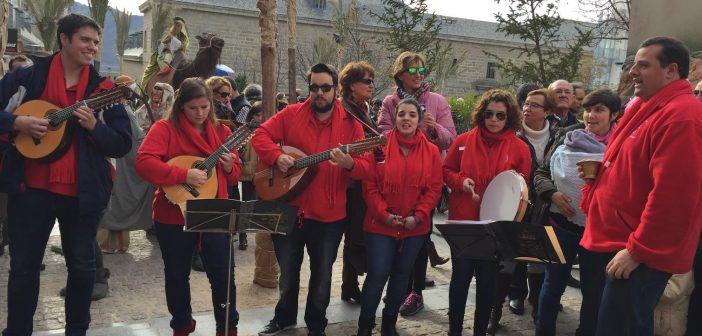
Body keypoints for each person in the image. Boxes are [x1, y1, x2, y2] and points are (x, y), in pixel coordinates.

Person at [0, 13, 132, 335]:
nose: (92, 47)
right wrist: (17, 123)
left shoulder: (105, 90)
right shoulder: (27, 79)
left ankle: (77, 331)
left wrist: (94, 127)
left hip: (82, 194)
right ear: (64, 40)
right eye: (85, 40)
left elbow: (122, 144)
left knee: (84, 269)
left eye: (96, 42)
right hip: (29, 190)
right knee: (23, 269)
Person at [579, 36, 702, 336]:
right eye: (635, 63)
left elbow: (674, 196)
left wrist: (638, 251)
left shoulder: (681, 115)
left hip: (637, 250)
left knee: (620, 328)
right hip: (615, 241)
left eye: (643, 65)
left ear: (671, 70)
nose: (633, 71)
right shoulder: (647, 107)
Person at [251, 63, 369, 336]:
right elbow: (260, 135)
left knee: (322, 276)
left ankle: (316, 325)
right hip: (289, 208)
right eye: (314, 87)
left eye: (325, 88)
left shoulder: (352, 123)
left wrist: (350, 163)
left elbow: (366, 167)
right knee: (288, 273)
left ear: (336, 89)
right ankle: (284, 319)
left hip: (329, 215)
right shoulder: (291, 114)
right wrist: (276, 157)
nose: (319, 93)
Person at [135, 77, 241, 336]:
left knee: (223, 274)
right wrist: (183, 175)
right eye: (193, 108)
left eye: (205, 107)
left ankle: (227, 326)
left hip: (214, 212)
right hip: (173, 214)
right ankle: (182, 325)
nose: (200, 113)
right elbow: (144, 162)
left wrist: (228, 166)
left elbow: (235, 174)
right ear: (181, 105)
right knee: (176, 274)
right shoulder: (164, 129)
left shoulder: (223, 133)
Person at [443, 89, 531, 336]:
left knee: (487, 284)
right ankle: (454, 330)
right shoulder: (462, 141)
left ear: (509, 117)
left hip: (496, 226)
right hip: (464, 222)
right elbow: (446, 170)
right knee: (459, 280)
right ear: (481, 114)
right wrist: (461, 181)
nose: (494, 119)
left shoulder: (520, 148)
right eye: (489, 114)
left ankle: (481, 331)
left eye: (500, 115)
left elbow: (522, 187)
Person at [534, 89, 620, 336]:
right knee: (552, 285)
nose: (591, 116)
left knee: (593, 290)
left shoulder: (621, 145)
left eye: (599, 110)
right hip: (561, 224)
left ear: (613, 114)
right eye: (588, 109)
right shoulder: (568, 135)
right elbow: (541, 173)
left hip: (599, 230)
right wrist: (552, 193)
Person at [378, 51, 455, 316]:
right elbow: (382, 134)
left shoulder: (437, 101)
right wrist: (405, 127)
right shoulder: (390, 102)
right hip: (394, 179)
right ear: (400, 73)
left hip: (426, 180)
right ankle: (397, 285)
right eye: (412, 71)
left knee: (420, 236)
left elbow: (450, 140)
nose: (418, 75)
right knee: (394, 233)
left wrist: (432, 128)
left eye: (422, 70)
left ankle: (415, 292)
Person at [356, 98, 442, 336]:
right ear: (394, 118)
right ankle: (365, 325)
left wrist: (419, 216)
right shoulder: (379, 146)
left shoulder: (432, 151)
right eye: (402, 114)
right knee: (377, 275)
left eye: (412, 115)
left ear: (419, 120)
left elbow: (434, 188)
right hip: (380, 225)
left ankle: (389, 323)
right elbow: (370, 186)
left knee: (402, 277)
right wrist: (384, 215)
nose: (407, 118)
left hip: (414, 227)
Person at [488, 87, 557, 333]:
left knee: (538, 261)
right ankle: (495, 313)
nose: (527, 108)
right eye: (526, 104)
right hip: (514, 207)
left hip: (546, 209)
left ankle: (538, 310)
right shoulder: (513, 136)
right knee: (506, 260)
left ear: (547, 111)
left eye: (535, 105)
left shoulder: (559, 137)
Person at [337, 61, 379, 305]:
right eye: (367, 81)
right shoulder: (346, 109)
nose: (372, 85)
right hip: (350, 182)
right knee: (354, 237)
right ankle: (350, 286)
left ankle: (349, 285)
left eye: (372, 80)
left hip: (361, 179)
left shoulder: (361, 108)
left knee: (356, 236)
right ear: (351, 85)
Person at [140, 16, 188, 87]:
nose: (175, 27)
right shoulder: (170, 35)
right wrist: (162, 46)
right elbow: (162, 45)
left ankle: (166, 67)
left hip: (177, 56)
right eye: (175, 25)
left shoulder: (183, 38)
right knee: (164, 56)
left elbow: (182, 46)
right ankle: (163, 68)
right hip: (165, 53)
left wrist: (172, 38)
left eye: (178, 25)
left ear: (182, 28)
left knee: (169, 56)